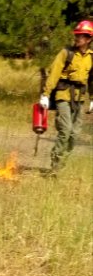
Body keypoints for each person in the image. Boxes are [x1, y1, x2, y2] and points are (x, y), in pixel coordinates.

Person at [39, 19, 93, 175]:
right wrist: (45, 94)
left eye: (81, 36)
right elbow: (54, 74)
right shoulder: (66, 53)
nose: (77, 38)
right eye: (76, 35)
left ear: (89, 39)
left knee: (74, 134)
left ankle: (61, 165)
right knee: (66, 129)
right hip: (63, 95)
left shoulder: (91, 57)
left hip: (79, 98)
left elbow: (92, 79)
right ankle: (55, 164)